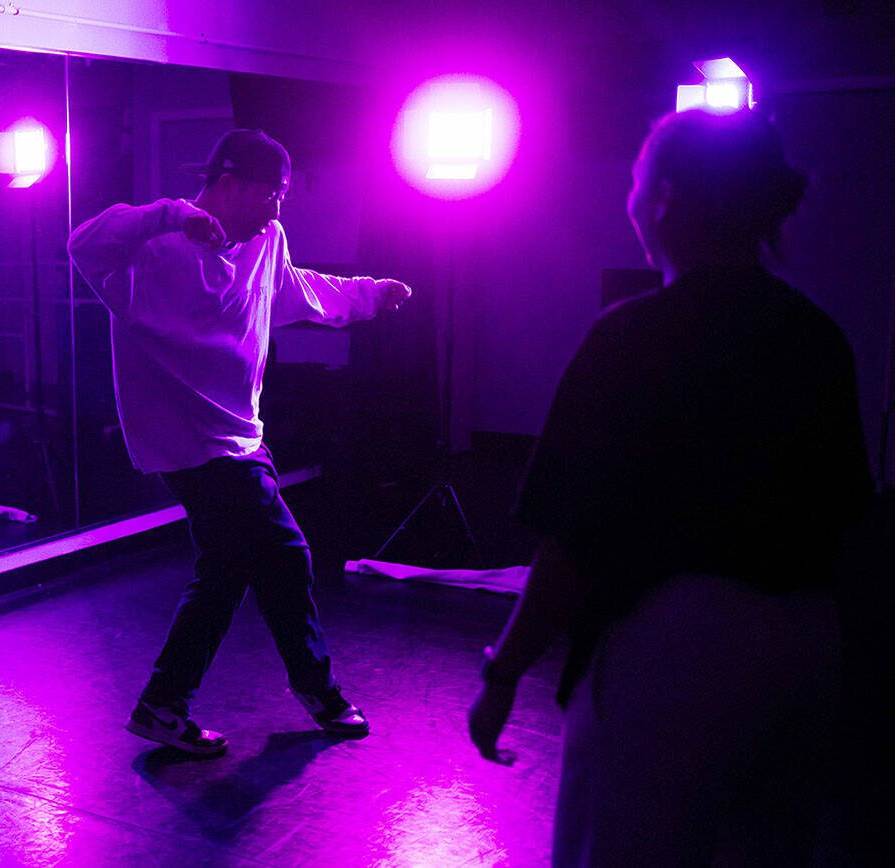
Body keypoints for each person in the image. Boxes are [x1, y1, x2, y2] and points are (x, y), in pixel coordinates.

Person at [467, 108, 873, 864]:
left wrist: (503, 672)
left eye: (635, 179)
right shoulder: (817, 336)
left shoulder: (628, 338)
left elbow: (573, 542)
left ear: (663, 200)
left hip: (670, 656)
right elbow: (851, 524)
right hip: (807, 649)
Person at [68, 129, 412, 756]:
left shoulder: (267, 242)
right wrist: (173, 214)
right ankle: (306, 692)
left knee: (240, 567)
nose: (276, 210)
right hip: (188, 445)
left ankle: (170, 705)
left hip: (241, 439)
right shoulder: (154, 250)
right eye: (269, 194)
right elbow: (83, 242)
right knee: (280, 553)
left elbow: (297, 290)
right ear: (227, 184)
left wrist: (368, 293)